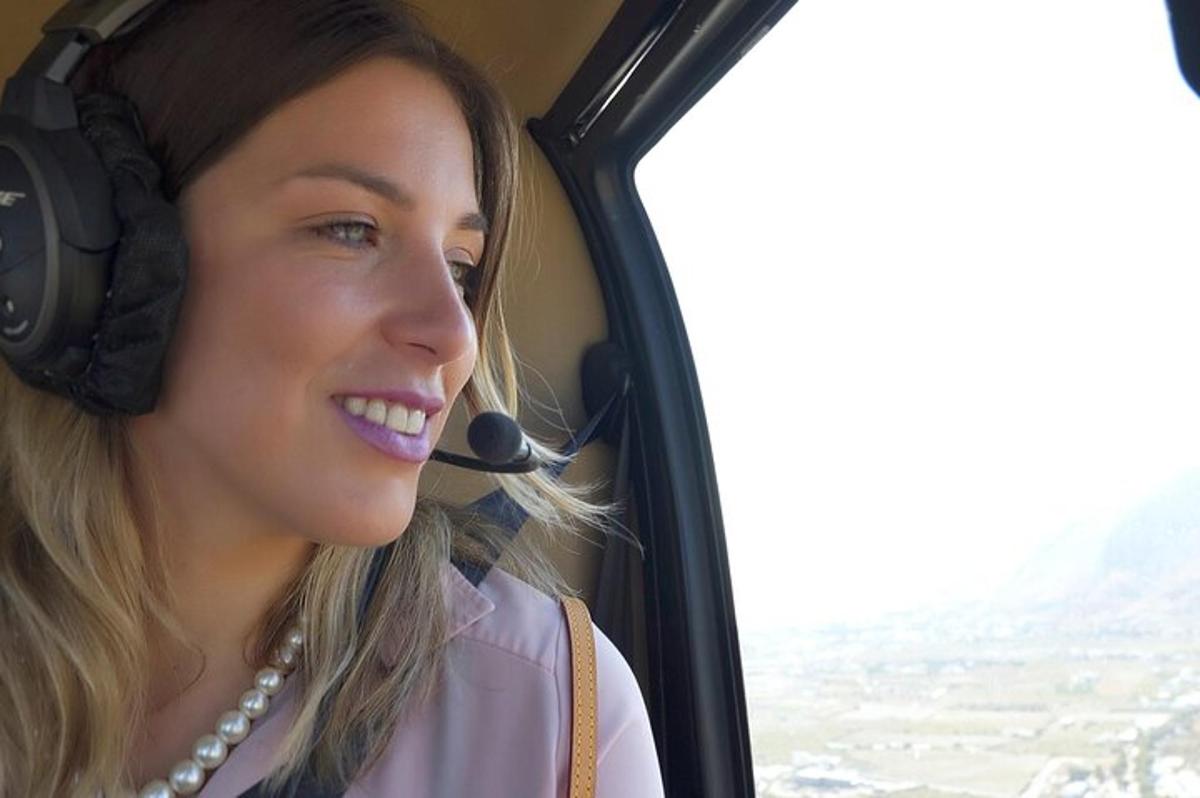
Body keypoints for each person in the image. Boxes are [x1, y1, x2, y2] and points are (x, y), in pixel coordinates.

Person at [0, 1, 664, 796]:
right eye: (351, 229)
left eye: (460, 266)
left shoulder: (550, 709)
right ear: (98, 258)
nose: (452, 334)